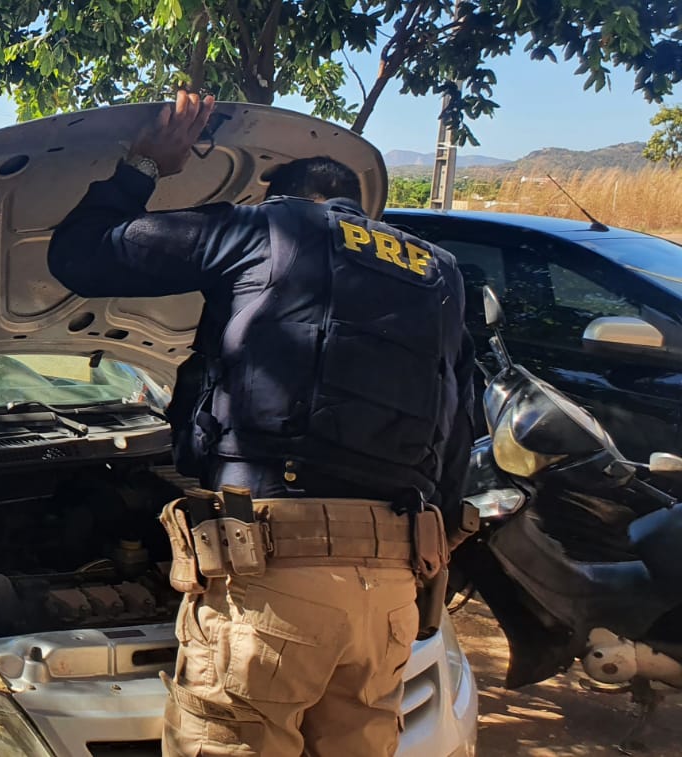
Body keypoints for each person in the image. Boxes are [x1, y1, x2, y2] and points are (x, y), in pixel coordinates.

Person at [49, 91, 474, 756]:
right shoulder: (439, 273)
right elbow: (455, 424)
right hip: (388, 590)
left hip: (277, 577)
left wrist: (146, 165)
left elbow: (80, 255)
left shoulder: (270, 229)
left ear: (284, 196)